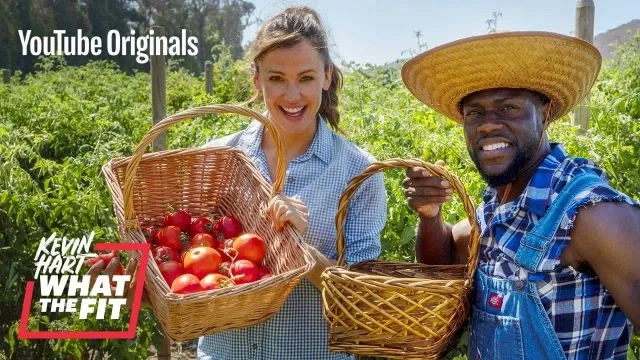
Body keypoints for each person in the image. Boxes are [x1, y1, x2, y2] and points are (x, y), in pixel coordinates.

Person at [400, 31, 640, 359]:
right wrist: (430, 215)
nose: (487, 125)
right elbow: (443, 266)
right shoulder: (498, 206)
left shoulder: (592, 213)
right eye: (475, 113)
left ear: (544, 114)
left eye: (508, 107)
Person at [197, 6, 387, 360]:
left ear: (326, 77)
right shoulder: (218, 160)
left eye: (306, 77)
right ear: (257, 80)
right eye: (277, 78)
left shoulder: (359, 173)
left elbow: (361, 299)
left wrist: (301, 253)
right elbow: (191, 261)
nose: (292, 95)